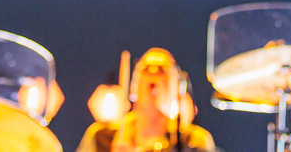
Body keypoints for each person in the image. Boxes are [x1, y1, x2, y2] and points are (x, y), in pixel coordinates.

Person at [78, 48, 215, 152]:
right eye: (146, 70)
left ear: (177, 87)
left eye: (163, 71)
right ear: (133, 86)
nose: (154, 74)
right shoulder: (102, 137)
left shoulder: (193, 141)